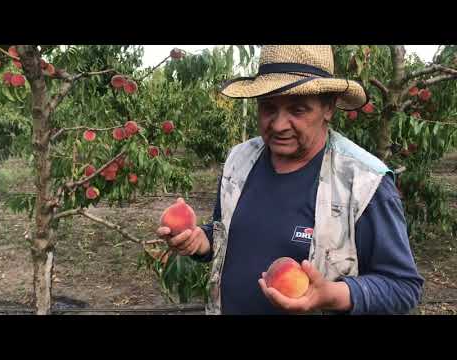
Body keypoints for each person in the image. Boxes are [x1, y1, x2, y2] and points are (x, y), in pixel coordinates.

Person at [156, 45, 424, 315]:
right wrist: (200, 241)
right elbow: (223, 232)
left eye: (297, 110)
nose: (279, 124)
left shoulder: (364, 182)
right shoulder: (239, 161)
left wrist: (332, 294)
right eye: (268, 108)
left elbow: (403, 286)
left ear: (328, 108)